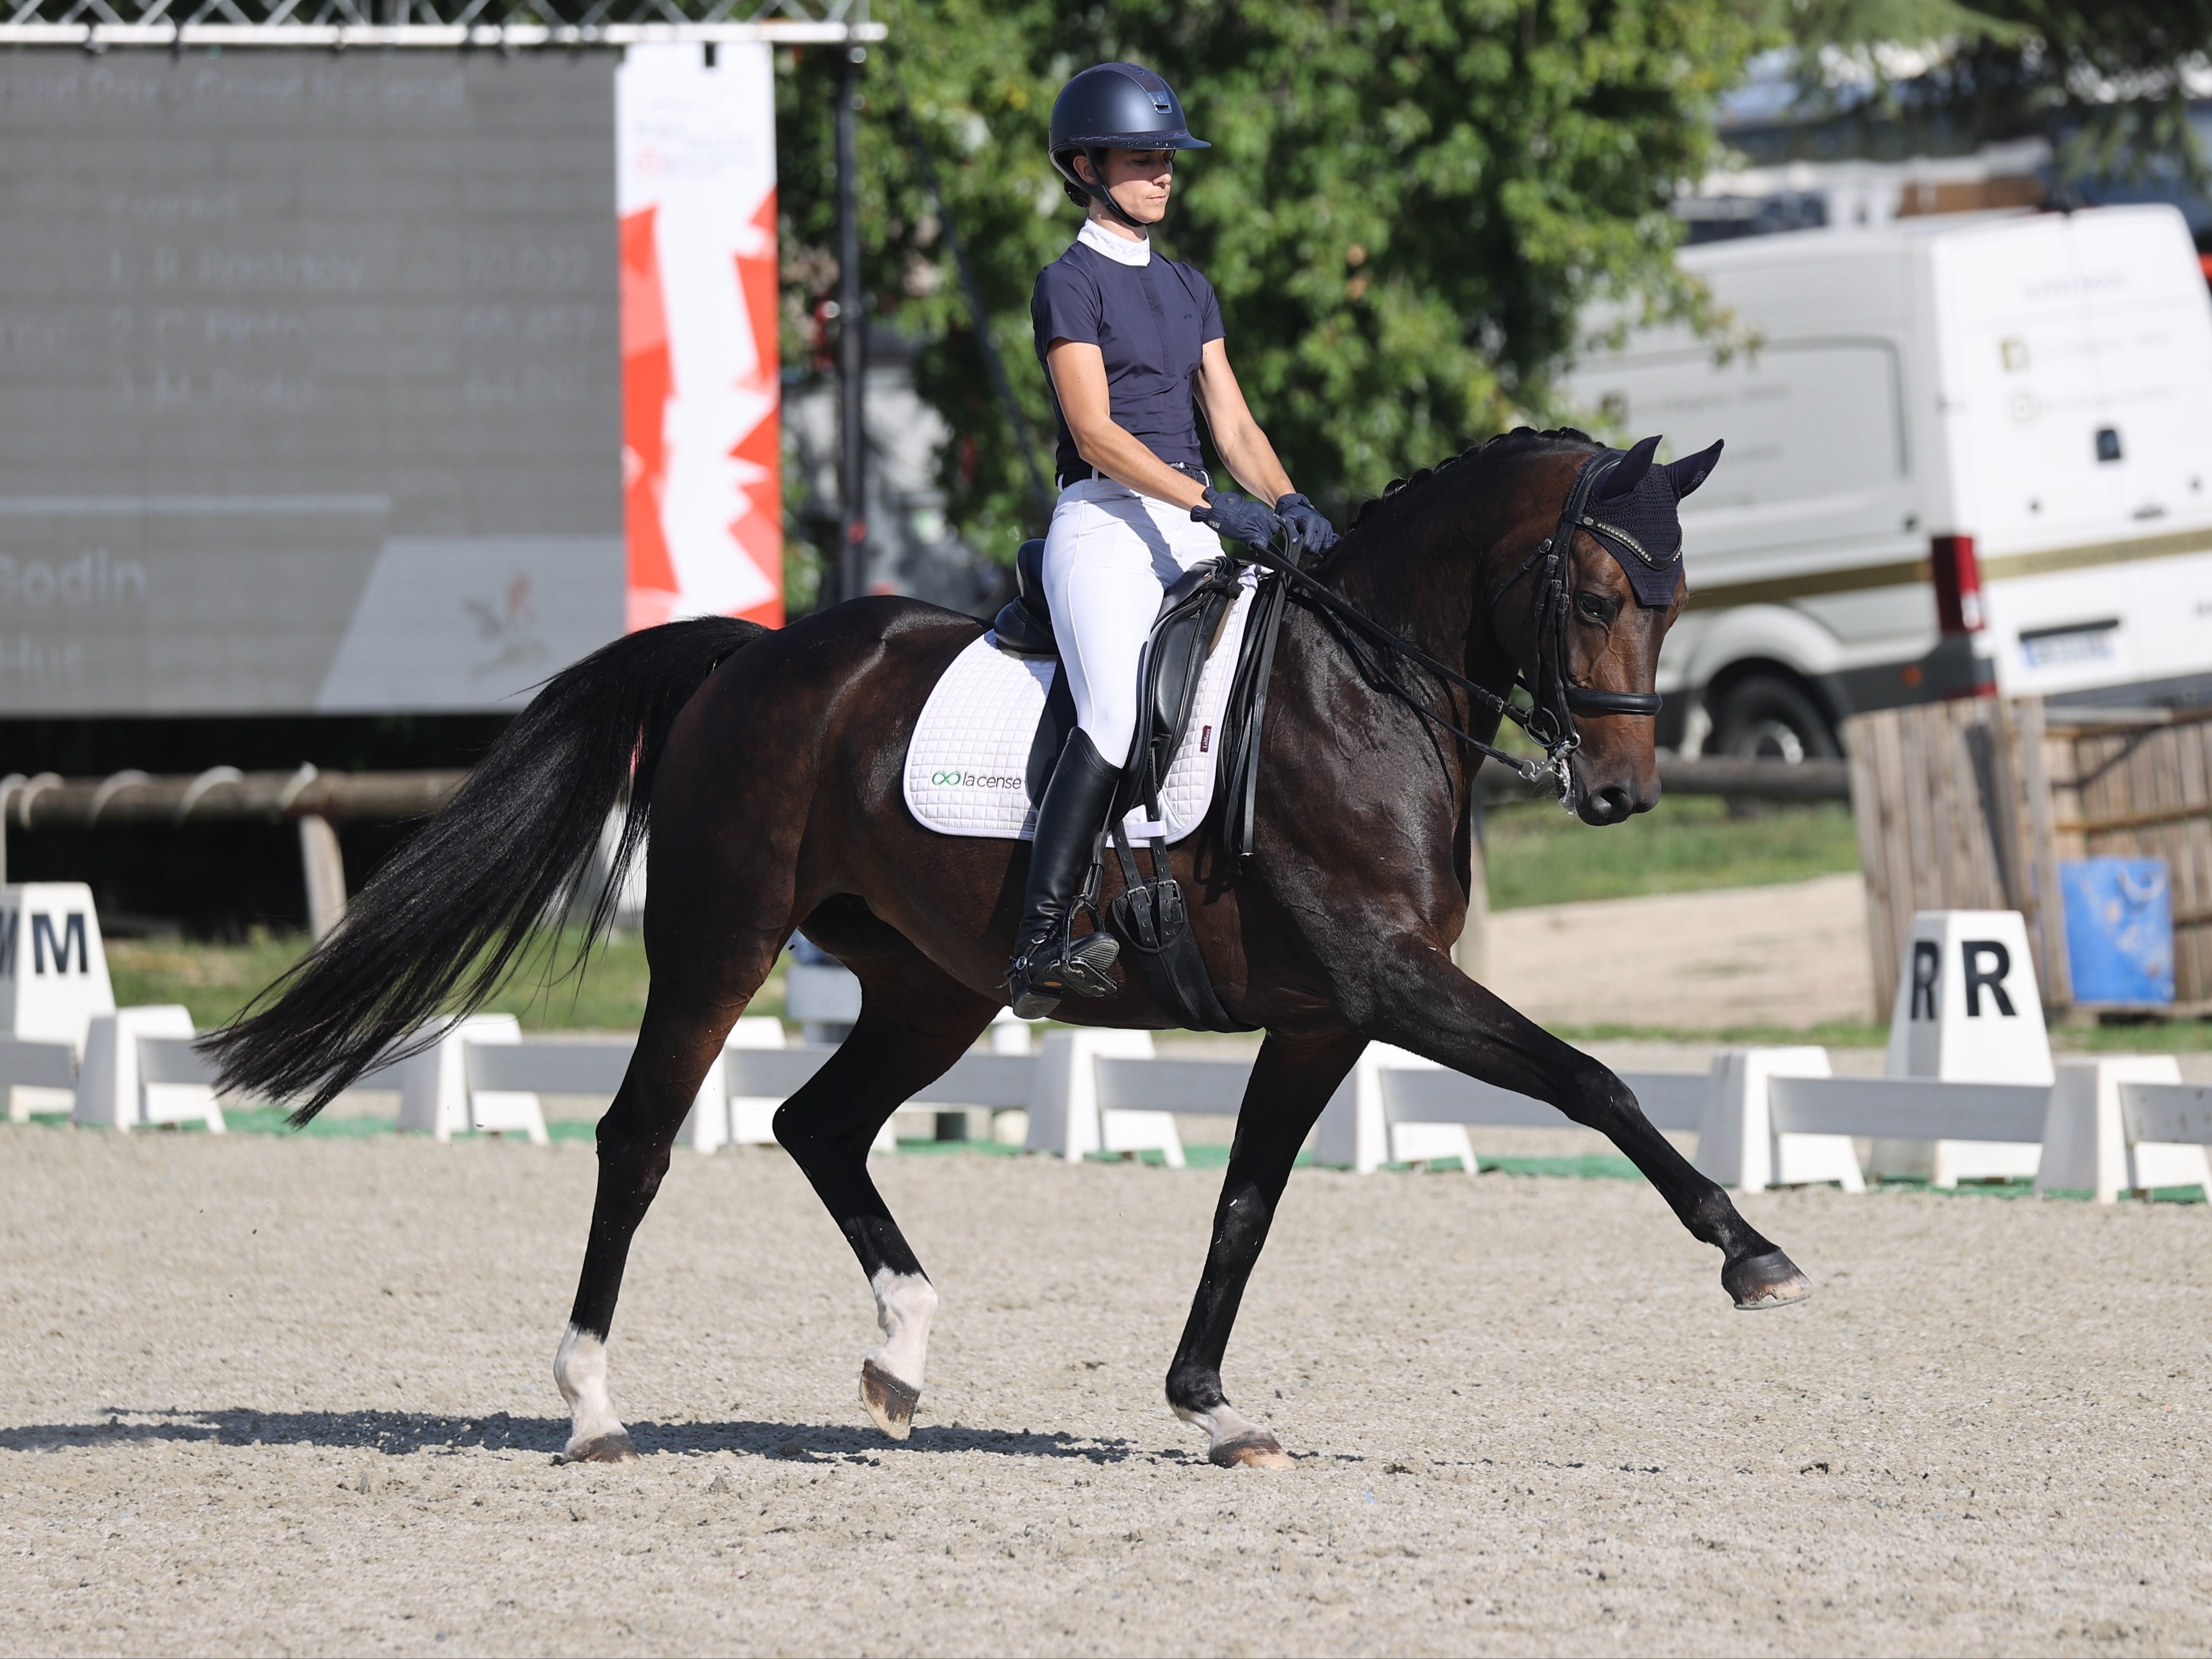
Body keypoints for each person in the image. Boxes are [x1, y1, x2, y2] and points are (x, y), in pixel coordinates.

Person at [1006, 61, 1340, 1019]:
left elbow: (1233, 428)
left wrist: (1284, 502)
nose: (1164, 171)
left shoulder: (1190, 287)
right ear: (1086, 165)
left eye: (1168, 157)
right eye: (1144, 157)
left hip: (1195, 517)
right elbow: (1095, 434)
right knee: (1114, 713)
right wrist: (1206, 503)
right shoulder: (1067, 285)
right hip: (1105, 525)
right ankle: (1038, 947)